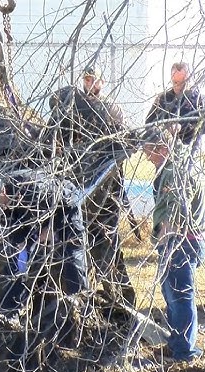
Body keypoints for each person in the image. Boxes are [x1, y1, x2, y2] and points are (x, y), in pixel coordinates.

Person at [48, 65, 136, 307]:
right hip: (77, 184)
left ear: (102, 82)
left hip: (108, 189)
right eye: (86, 79)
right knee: (76, 240)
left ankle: (120, 299)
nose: (89, 84)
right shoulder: (73, 108)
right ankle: (79, 295)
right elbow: (54, 140)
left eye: (93, 80)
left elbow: (124, 145)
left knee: (105, 241)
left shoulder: (111, 110)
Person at [144, 130, 205, 362]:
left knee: (180, 296)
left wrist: (165, 239)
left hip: (181, 241)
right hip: (198, 238)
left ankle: (184, 353)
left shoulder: (175, 170)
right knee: (173, 293)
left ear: (162, 148)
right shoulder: (188, 162)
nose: (147, 158)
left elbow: (177, 208)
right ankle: (176, 344)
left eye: (149, 152)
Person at [0, 169, 89, 314]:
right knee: (18, 261)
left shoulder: (33, 188)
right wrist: (20, 242)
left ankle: (82, 306)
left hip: (65, 207)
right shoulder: (3, 199)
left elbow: (66, 202)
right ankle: (9, 311)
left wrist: (51, 227)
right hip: (34, 214)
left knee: (73, 257)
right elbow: (14, 223)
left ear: (2, 192)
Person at [145, 62, 205, 146]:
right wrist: (164, 129)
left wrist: (182, 128)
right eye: (175, 82)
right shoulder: (163, 99)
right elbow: (148, 124)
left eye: (182, 83)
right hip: (165, 148)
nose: (179, 87)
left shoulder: (199, 100)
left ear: (189, 79)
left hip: (189, 148)